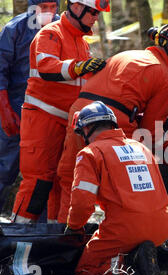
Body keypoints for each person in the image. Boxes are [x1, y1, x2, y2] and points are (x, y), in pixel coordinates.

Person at [56, 24, 168, 223]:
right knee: (125, 185)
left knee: (71, 178)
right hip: (113, 122)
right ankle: (124, 236)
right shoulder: (165, 77)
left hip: (80, 112)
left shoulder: (127, 54)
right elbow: (151, 132)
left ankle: (65, 237)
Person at [10, 0, 109, 224]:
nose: (96, 17)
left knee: (62, 181)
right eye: (93, 12)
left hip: (68, 123)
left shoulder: (82, 43)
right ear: (76, 7)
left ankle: (53, 245)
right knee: (38, 182)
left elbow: (79, 82)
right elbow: (47, 67)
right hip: (42, 119)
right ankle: (16, 241)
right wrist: (78, 67)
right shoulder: (50, 34)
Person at [64, 101, 168, 275]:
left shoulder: (90, 153)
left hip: (125, 228)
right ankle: (146, 254)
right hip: (163, 225)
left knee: (85, 269)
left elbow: (82, 202)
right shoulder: (141, 147)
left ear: (87, 128)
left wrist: (74, 227)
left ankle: (130, 263)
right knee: (129, 237)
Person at [0, 0, 60, 222]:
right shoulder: (15, 29)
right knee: (6, 168)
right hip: (14, 106)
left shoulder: (62, 28)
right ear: (32, 7)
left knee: (45, 170)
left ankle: (37, 227)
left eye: (52, 6)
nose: (48, 12)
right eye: (43, 7)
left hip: (48, 111)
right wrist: (4, 108)